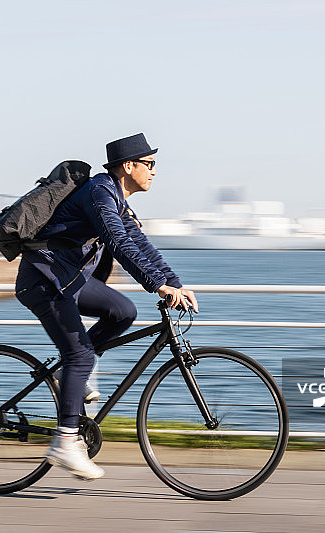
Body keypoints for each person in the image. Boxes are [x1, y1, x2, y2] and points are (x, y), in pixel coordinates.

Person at [15, 133, 198, 480]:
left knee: (123, 312)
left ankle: (64, 373)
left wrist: (173, 282)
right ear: (129, 166)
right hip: (44, 280)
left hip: (68, 279)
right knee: (81, 356)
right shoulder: (100, 194)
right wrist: (155, 285)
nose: (155, 171)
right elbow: (116, 242)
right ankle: (65, 443)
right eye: (150, 164)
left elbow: (139, 242)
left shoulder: (117, 199)